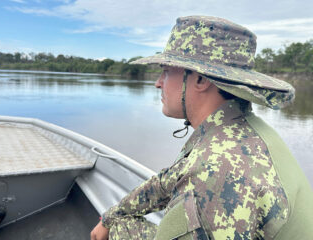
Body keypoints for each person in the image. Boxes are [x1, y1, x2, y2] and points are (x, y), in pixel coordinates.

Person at [90, 16, 313, 240]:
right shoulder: (239, 129)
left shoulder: (215, 171)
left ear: (199, 79)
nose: (158, 82)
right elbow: (167, 182)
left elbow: (203, 177)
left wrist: (113, 228)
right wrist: (111, 216)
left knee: (122, 230)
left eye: (166, 71)